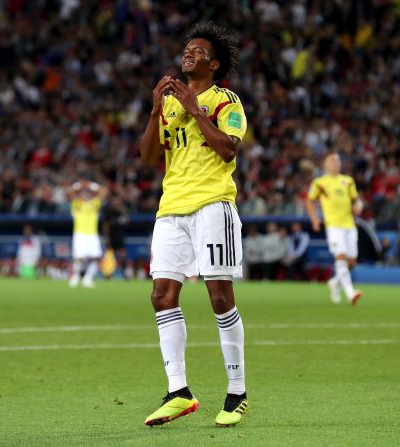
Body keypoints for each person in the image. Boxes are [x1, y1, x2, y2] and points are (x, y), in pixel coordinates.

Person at [139, 22, 248, 427]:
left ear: (214, 64)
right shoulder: (168, 104)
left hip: (212, 206)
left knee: (220, 298)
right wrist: (154, 109)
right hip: (171, 208)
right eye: (187, 49)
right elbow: (148, 158)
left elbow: (226, 149)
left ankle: (237, 391)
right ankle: (179, 391)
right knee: (162, 296)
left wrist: (193, 108)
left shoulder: (226, 100)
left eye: (198, 51)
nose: (188, 54)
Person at [306, 152, 364, 305]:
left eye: (338, 161)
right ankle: (350, 293)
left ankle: (334, 282)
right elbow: (310, 201)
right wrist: (314, 219)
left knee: (351, 262)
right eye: (332, 161)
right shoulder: (320, 183)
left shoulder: (348, 181)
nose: (335, 163)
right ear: (325, 164)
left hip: (349, 225)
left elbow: (356, 200)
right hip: (333, 226)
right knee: (341, 257)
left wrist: (359, 205)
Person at [68, 180, 107, 288]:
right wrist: (79, 185)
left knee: (97, 257)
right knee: (79, 258)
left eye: (87, 193)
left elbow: (103, 191)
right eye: (82, 193)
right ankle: (75, 277)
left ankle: (87, 278)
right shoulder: (77, 204)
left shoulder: (94, 204)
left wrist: (91, 185)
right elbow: (69, 192)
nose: (85, 195)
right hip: (79, 234)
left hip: (92, 235)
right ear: (79, 195)